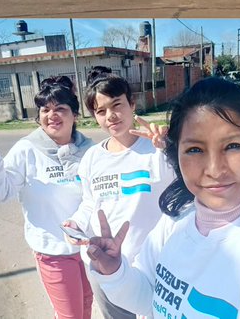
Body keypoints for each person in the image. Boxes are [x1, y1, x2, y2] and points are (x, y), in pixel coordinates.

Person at [86, 77, 240, 319]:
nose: (214, 169)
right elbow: (147, 297)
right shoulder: (174, 222)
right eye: (195, 150)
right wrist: (115, 272)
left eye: (233, 145)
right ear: (177, 156)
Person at [0, 76, 96, 319]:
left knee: (86, 306)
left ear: (75, 115)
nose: (52, 115)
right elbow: (2, 190)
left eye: (60, 108)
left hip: (88, 249)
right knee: (70, 316)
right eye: (45, 110)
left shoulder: (90, 149)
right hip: (54, 253)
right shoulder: (27, 149)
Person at [62, 67, 174, 319]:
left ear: (132, 104)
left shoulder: (155, 149)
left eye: (117, 105)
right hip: (107, 267)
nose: (111, 116)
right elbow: (90, 203)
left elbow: (179, 194)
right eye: (101, 111)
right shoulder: (92, 157)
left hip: (152, 267)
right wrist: (77, 222)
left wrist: (168, 149)